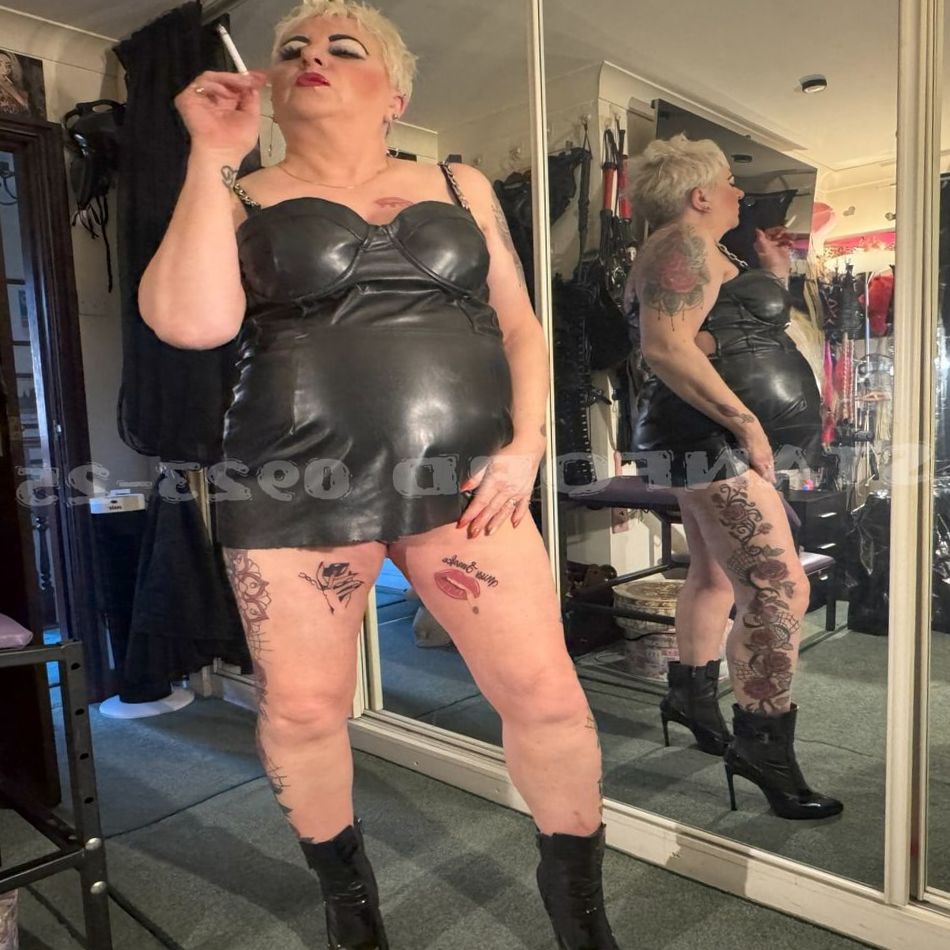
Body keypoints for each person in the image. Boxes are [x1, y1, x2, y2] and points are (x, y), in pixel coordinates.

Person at [138, 2, 620, 947]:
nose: (311, 57)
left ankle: (580, 918)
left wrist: (526, 444)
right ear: (271, 84)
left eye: (342, 47)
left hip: (468, 484)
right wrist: (210, 153)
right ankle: (350, 910)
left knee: (548, 697)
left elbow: (521, 326)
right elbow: (188, 324)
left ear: (394, 93)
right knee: (304, 709)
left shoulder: (459, 183)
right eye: (292, 49)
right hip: (291, 481)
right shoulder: (238, 191)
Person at [624, 134, 843, 821]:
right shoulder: (681, 244)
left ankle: (689, 699)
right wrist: (747, 424)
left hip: (698, 435)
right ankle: (762, 745)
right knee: (780, 588)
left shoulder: (702, 248)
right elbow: (665, 347)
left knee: (715, 576)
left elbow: (723, 327)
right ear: (699, 195)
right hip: (706, 438)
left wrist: (773, 270)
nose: (739, 193)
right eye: (728, 182)